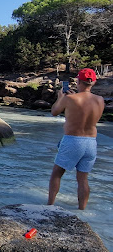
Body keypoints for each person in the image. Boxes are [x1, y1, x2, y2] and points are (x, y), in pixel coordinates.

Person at [47, 68, 104, 210]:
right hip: (91, 142)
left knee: (56, 174)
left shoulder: (70, 98)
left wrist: (61, 97)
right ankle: (82, 210)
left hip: (73, 140)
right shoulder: (100, 100)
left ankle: (49, 206)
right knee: (83, 179)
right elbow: (85, 109)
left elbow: (54, 112)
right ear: (93, 82)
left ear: (78, 81)